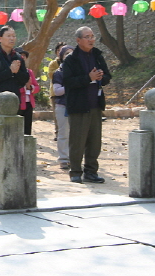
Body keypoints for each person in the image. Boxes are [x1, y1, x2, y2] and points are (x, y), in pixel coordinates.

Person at [63, 27, 112, 184]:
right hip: (78, 106)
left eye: (92, 36)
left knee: (94, 141)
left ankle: (91, 171)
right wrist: (88, 77)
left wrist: (101, 77)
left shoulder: (97, 56)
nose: (91, 39)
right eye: (87, 37)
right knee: (77, 140)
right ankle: (75, 171)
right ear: (78, 40)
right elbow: (68, 82)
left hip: (96, 105)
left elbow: (108, 76)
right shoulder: (71, 59)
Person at [0, 26, 29, 116]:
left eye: (13, 36)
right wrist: (9, 72)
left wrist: (17, 72)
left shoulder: (18, 57)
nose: (12, 38)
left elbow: (25, 79)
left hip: (14, 100)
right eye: (8, 36)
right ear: (0, 38)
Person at [52, 45, 74, 170]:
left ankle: (74, 158)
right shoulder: (58, 73)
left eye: (72, 53)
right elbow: (57, 91)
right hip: (62, 106)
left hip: (76, 106)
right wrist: (71, 86)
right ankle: (63, 159)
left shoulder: (78, 71)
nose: (69, 56)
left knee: (75, 134)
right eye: (66, 54)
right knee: (63, 133)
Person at [17, 49, 40, 135]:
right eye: (20, 55)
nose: (22, 57)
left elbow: (37, 88)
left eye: (24, 56)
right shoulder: (13, 72)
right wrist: (23, 88)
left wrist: (30, 87)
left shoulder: (29, 72)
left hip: (29, 104)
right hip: (18, 104)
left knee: (27, 129)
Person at [48, 42, 67, 140]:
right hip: (55, 93)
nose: (61, 52)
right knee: (57, 114)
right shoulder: (53, 63)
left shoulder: (72, 63)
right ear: (56, 52)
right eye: (59, 50)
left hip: (68, 93)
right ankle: (57, 133)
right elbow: (51, 75)